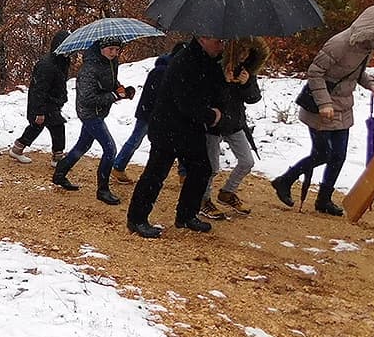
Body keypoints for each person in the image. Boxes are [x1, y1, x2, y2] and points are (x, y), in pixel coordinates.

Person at [270, 5, 374, 216]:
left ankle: (324, 199)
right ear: (371, 29)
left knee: (338, 156)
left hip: (344, 107)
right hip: (321, 107)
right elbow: (315, 72)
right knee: (323, 154)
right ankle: (285, 181)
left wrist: (371, 85)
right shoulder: (340, 43)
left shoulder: (367, 46)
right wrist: (324, 103)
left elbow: (357, 73)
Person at [125, 36, 226, 238]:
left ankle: (186, 216)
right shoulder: (184, 61)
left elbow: (215, 90)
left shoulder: (210, 61)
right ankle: (136, 219)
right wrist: (211, 115)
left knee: (202, 169)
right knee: (156, 174)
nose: (221, 44)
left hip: (190, 128)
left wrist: (232, 80)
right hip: (168, 127)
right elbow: (186, 102)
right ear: (203, 38)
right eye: (218, 41)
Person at [52, 39, 134, 205]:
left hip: (100, 111)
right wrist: (114, 96)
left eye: (117, 49)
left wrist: (121, 89)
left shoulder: (110, 63)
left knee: (83, 146)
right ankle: (102, 190)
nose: (114, 53)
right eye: (111, 49)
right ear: (102, 48)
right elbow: (87, 98)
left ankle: (60, 174)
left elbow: (109, 82)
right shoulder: (89, 69)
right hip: (89, 113)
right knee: (110, 149)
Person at [199, 38, 266, 219]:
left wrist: (246, 83)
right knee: (211, 167)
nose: (244, 55)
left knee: (247, 161)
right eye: (241, 51)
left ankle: (227, 192)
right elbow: (205, 93)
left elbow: (253, 98)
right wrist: (224, 81)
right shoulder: (216, 66)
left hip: (235, 123)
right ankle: (203, 200)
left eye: (247, 52)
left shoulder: (248, 71)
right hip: (214, 125)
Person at [110, 42, 183, 184]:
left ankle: (183, 173)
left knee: (176, 141)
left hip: (157, 113)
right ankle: (118, 167)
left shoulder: (172, 70)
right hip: (150, 113)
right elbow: (158, 95)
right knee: (136, 140)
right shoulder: (161, 71)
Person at [9, 31, 71, 165]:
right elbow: (39, 89)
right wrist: (39, 111)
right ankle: (58, 157)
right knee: (57, 126)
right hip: (44, 103)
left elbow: (59, 82)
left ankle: (17, 148)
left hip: (52, 101)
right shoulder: (47, 64)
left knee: (37, 127)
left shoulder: (63, 60)